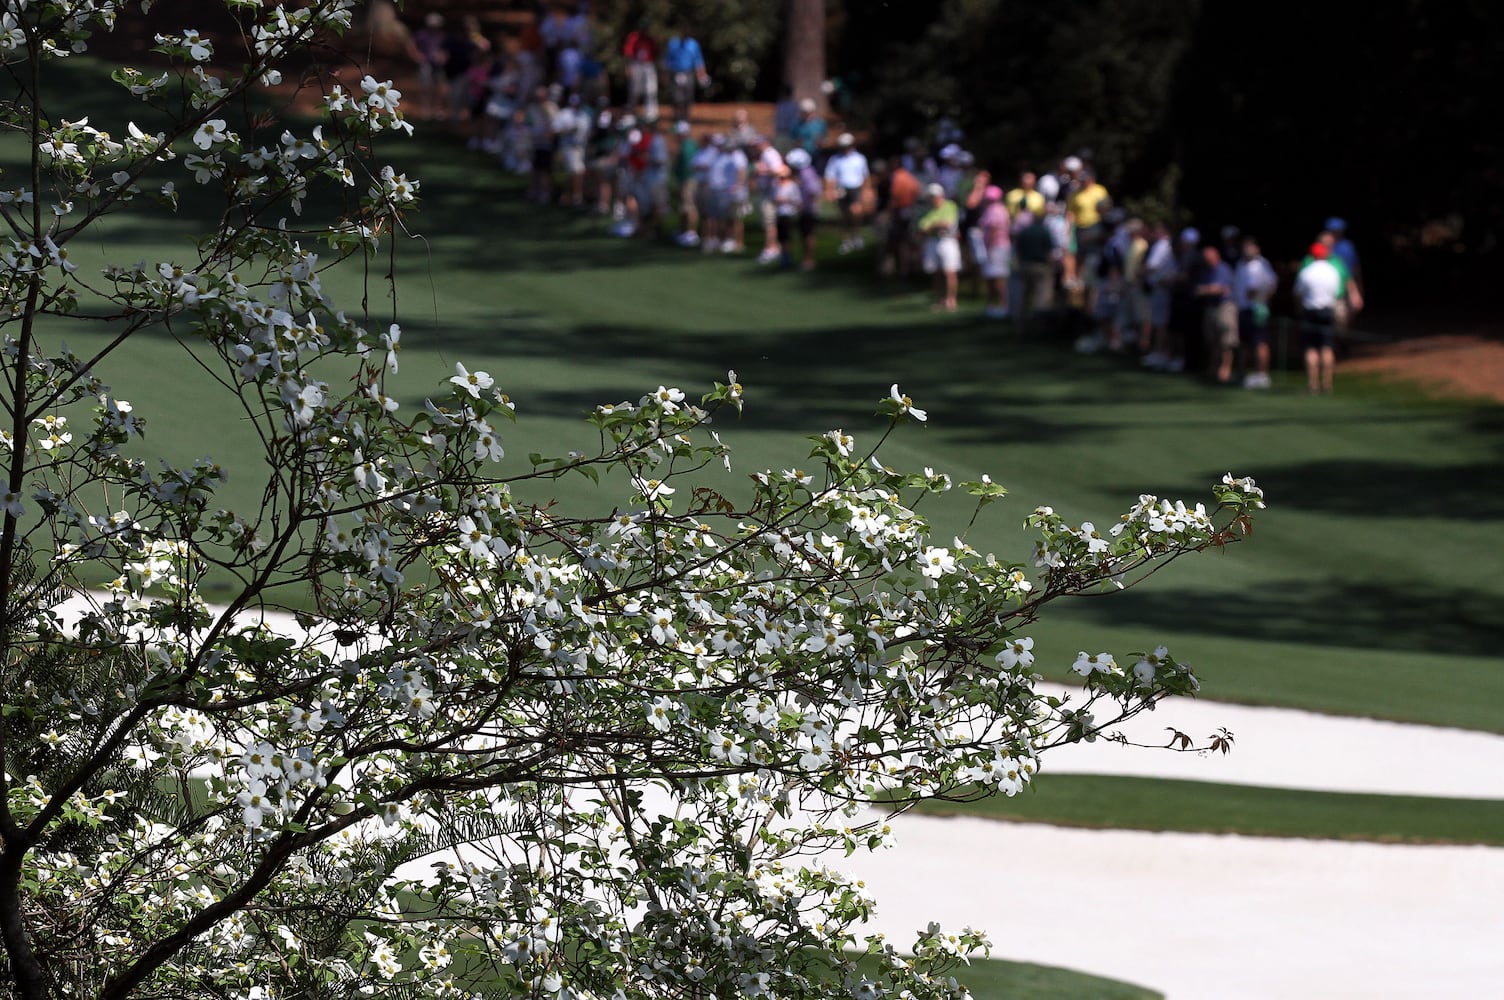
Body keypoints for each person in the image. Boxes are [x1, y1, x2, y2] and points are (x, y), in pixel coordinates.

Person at [1294, 242, 1343, 393]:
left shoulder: (1306, 271)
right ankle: (1327, 384)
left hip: (1310, 312)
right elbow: (1336, 292)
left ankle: (1313, 384)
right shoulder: (1333, 271)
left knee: (1311, 349)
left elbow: (1297, 293)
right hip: (1327, 311)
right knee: (1327, 347)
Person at [1233, 236, 1278, 388]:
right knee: (1245, 343)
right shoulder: (1241, 264)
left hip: (1256, 309)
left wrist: (1260, 299)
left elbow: (1269, 285)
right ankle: (1242, 372)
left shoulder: (1260, 265)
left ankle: (1262, 374)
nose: (1247, 250)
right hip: (1243, 308)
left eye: (1250, 247)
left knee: (1260, 342)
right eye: (1245, 247)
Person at [1194, 245, 1238, 383]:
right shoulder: (1206, 270)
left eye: (1210, 257)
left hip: (1224, 307)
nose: (1207, 260)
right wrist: (1208, 289)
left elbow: (1220, 289)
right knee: (1212, 341)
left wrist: (1206, 289)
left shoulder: (1223, 269)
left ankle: (1225, 369)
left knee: (1226, 341)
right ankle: (1213, 368)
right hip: (1211, 307)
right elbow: (1199, 289)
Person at [917, 183, 961, 312]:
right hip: (934, 241)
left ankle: (951, 299)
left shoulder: (950, 205)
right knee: (936, 272)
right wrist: (936, 225)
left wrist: (933, 225)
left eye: (933, 196)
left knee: (950, 272)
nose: (932, 199)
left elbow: (948, 223)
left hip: (948, 241)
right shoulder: (929, 210)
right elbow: (923, 227)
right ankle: (940, 299)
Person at [824, 133, 870, 254]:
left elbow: (865, 176)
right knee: (843, 216)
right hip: (841, 188)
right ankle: (846, 240)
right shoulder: (835, 159)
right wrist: (830, 191)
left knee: (856, 211)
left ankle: (856, 235)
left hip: (855, 187)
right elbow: (830, 176)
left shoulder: (859, 158)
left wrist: (866, 190)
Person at [976, 185, 1011, 319]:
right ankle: (992, 305)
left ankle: (1004, 305)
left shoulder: (995, 210)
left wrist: (988, 246)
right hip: (996, 247)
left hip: (996, 247)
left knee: (998, 277)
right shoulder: (997, 209)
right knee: (992, 277)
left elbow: (994, 229)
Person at [662, 24, 709, 123]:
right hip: (676, 73)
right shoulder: (673, 43)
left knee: (688, 96)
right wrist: (665, 74)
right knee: (676, 97)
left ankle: (686, 118)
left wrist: (702, 74)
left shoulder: (694, 44)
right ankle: (676, 117)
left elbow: (698, 61)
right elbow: (667, 60)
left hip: (688, 73)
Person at [785, 147, 822, 271]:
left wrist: (805, 205)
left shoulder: (806, 173)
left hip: (808, 209)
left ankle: (809, 260)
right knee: (804, 234)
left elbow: (812, 192)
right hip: (805, 208)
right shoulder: (804, 172)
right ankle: (806, 259)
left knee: (807, 234)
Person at [622, 20, 658, 119]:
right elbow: (628, 53)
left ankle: (651, 114)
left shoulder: (650, 39)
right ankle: (631, 113)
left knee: (651, 90)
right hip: (636, 65)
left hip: (648, 65)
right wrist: (628, 67)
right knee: (634, 91)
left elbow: (655, 54)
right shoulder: (634, 37)